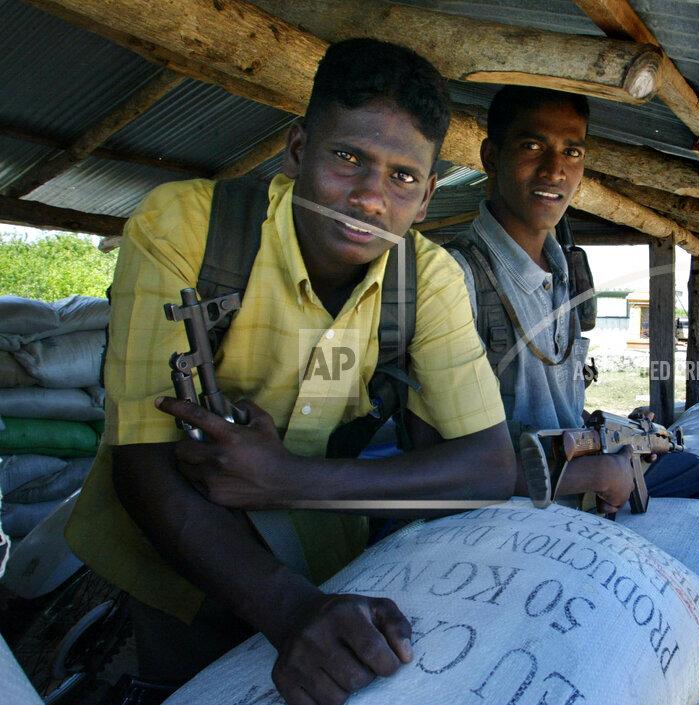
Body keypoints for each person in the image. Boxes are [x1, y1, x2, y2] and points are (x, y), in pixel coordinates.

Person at [64, 39, 516, 704]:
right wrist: (287, 610)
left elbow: (490, 464)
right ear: (299, 149)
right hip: (176, 561)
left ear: (425, 200)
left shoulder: (428, 278)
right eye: (348, 157)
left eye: (402, 178)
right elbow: (143, 457)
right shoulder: (188, 225)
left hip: (325, 556)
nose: (369, 198)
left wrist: (288, 478)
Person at [447, 86, 699, 512]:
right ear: (491, 157)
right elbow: (441, 456)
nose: (555, 171)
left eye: (572, 153)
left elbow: (561, 413)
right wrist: (586, 474)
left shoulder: (565, 274)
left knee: (691, 468)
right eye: (533, 146)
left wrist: (614, 436)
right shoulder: (457, 275)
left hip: (576, 473)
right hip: (513, 501)